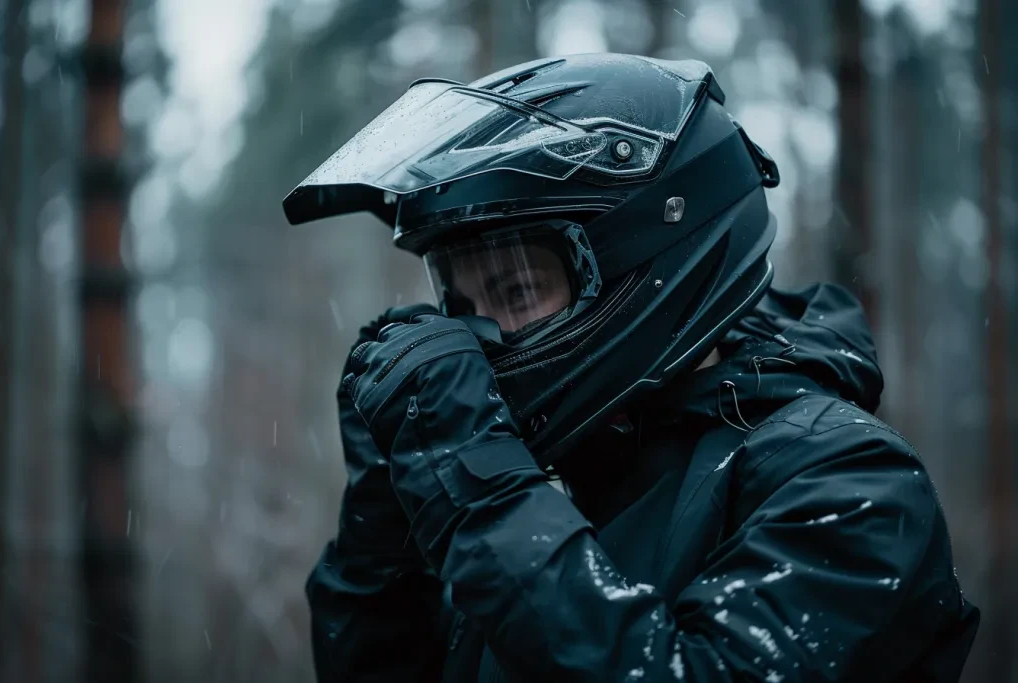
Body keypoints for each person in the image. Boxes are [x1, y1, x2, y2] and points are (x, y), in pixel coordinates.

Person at [285, 54, 979, 682]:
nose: (479, 336)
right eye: (459, 302)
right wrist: (386, 521)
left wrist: (475, 482)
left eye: (518, 290)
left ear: (647, 255)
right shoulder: (563, 472)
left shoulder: (852, 484)